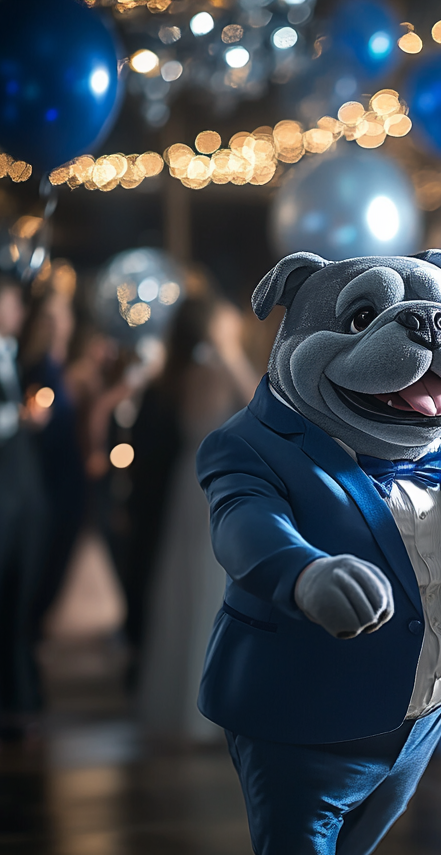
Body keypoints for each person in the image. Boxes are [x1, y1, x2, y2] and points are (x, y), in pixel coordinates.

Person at [137, 295, 259, 741]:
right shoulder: (215, 368)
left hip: (188, 484)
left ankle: (183, 702)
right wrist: (231, 355)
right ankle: (211, 707)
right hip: (217, 484)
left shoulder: (179, 371)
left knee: (189, 586)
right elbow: (261, 406)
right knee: (214, 586)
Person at [0, 273, 46, 745]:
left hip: (19, 502)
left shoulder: (11, 356)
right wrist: (20, 417)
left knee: (17, 603)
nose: (19, 313)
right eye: (11, 304)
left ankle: (14, 703)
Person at [20, 283, 87, 625]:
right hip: (48, 482)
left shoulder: (69, 367)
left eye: (63, 313)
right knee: (41, 572)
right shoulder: (37, 368)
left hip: (70, 480)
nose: (59, 322)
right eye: (50, 315)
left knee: (58, 569)